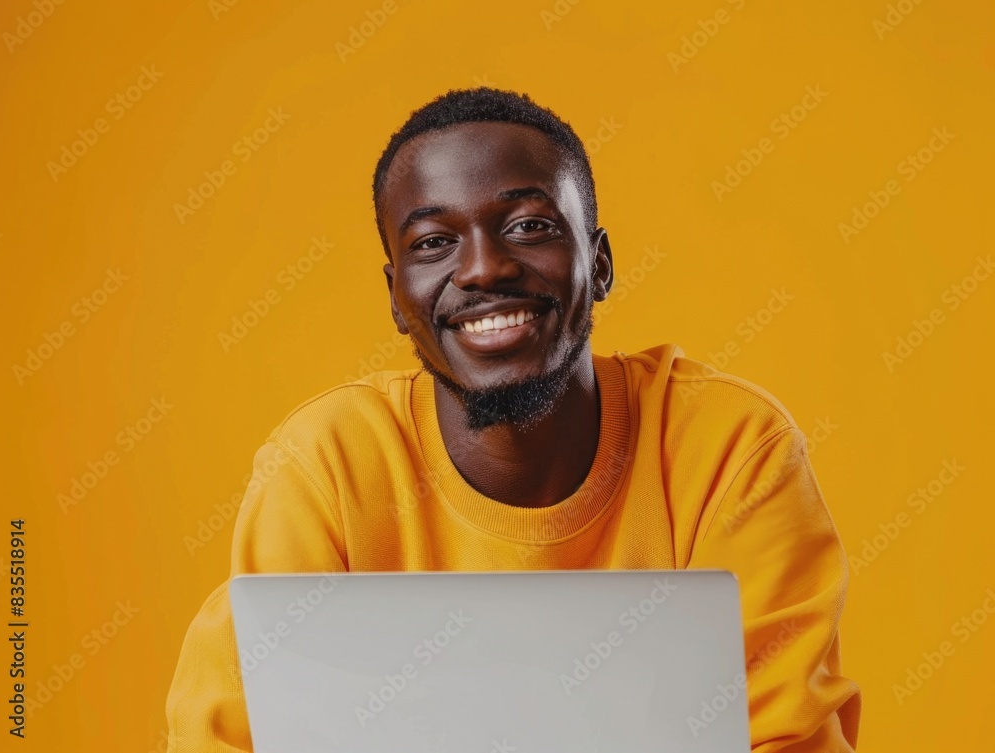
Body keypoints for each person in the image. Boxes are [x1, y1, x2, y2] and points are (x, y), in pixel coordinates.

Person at [165, 87, 861, 752]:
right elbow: (235, 731)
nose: (485, 268)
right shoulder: (326, 467)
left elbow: (786, 736)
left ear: (601, 261)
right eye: (433, 241)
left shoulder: (732, 449)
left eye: (528, 226)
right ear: (395, 295)